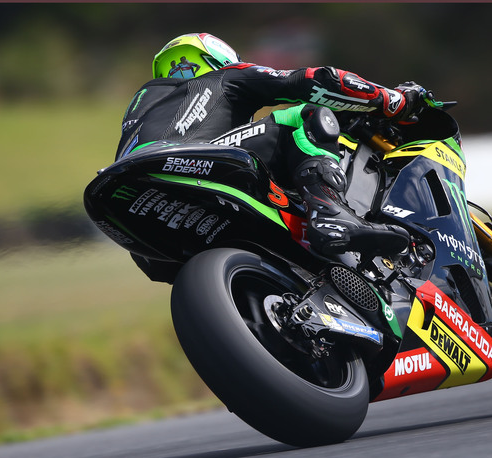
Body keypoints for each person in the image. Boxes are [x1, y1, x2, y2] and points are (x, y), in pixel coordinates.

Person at [117, 33, 425, 281]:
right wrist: (394, 101)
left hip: (135, 223)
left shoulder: (142, 109)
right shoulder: (226, 76)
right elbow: (314, 80)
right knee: (304, 116)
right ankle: (330, 211)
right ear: (216, 60)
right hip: (188, 165)